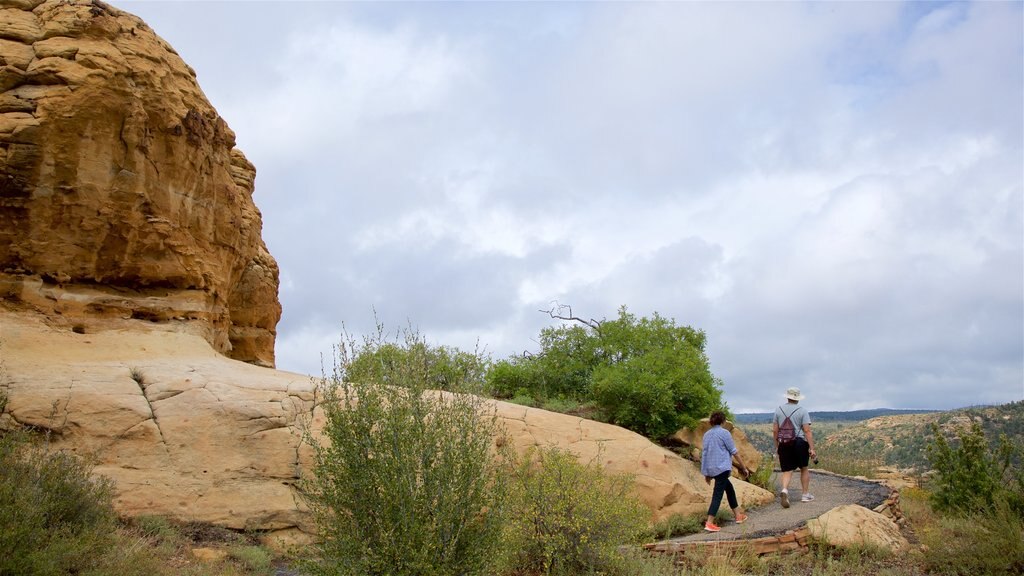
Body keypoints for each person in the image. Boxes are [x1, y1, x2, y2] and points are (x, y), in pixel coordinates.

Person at [700, 411, 750, 532]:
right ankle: (709, 523)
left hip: (712, 468)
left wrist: (706, 472)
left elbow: (705, 453)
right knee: (717, 494)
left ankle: (738, 515)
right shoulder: (724, 433)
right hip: (722, 468)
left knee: (729, 488)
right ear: (723, 421)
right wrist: (744, 468)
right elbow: (734, 452)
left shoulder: (706, 435)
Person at [773, 386, 816, 508]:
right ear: (797, 398)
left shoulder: (778, 410)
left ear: (787, 396)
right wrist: (812, 448)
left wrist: (777, 447)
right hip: (799, 442)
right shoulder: (802, 411)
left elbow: (775, 431)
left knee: (787, 470)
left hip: (784, 443)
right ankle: (805, 494)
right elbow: (807, 431)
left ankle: (785, 490)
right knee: (804, 468)